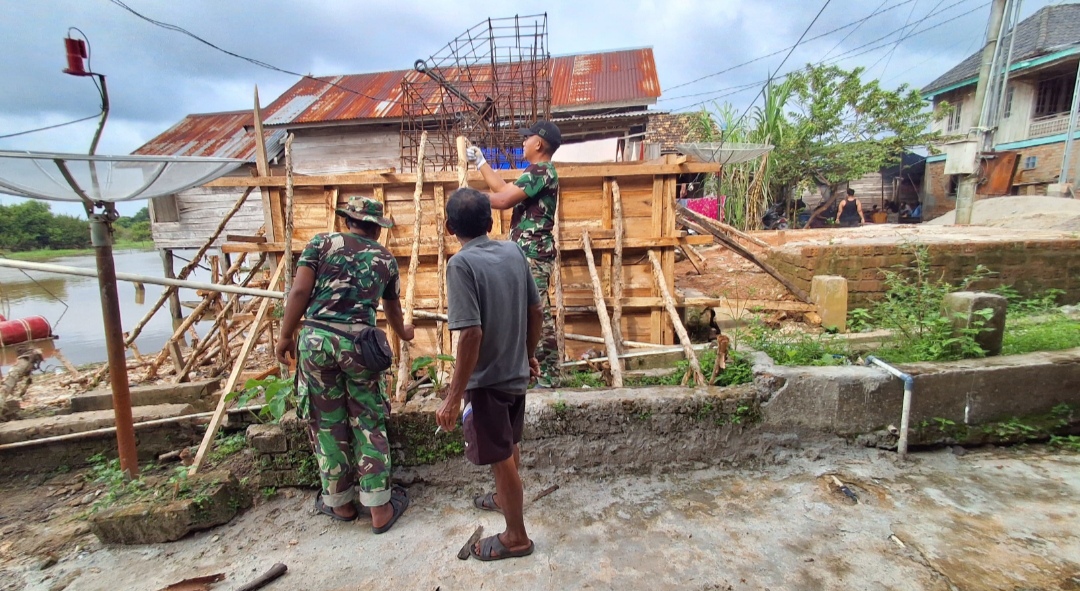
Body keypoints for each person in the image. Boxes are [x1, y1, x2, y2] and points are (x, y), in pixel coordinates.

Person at [275, 196, 413, 533]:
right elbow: (392, 309)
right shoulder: (385, 258)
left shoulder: (321, 243)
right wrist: (404, 331)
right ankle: (380, 508)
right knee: (368, 420)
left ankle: (341, 504)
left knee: (326, 423)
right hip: (361, 346)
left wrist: (285, 335)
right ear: (378, 229)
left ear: (348, 220)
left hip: (317, 341)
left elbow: (299, 293)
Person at [435, 187, 543, 561]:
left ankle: (516, 537)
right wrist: (528, 357)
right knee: (509, 445)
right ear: (491, 220)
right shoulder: (513, 250)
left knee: (500, 456)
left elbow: (470, 333)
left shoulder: (461, 265)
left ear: (450, 227)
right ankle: (502, 498)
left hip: (488, 383)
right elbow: (536, 312)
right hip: (514, 376)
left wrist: (452, 398)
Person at [465, 120, 561, 386]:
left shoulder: (542, 170)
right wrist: (481, 163)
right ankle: (535, 372)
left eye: (526, 138)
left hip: (534, 254)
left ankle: (550, 376)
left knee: (536, 312)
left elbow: (503, 201)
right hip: (526, 254)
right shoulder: (536, 171)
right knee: (530, 311)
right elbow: (504, 190)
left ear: (538, 143)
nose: (523, 142)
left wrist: (468, 198)